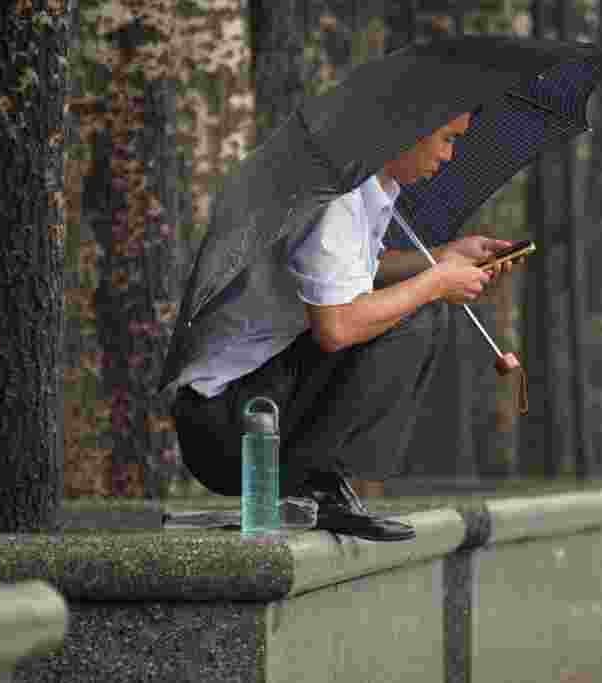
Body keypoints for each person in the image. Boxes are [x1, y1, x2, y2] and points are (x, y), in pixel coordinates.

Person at [170, 111, 523, 541]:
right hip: (229, 423)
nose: (449, 156)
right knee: (418, 316)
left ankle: (322, 483)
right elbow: (335, 327)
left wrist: (446, 255)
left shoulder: (370, 189)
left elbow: (356, 274)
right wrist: (434, 282)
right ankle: (318, 486)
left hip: (260, 397)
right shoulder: (335, 197)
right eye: (447, 139)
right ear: (408, 130)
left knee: (415, 308)